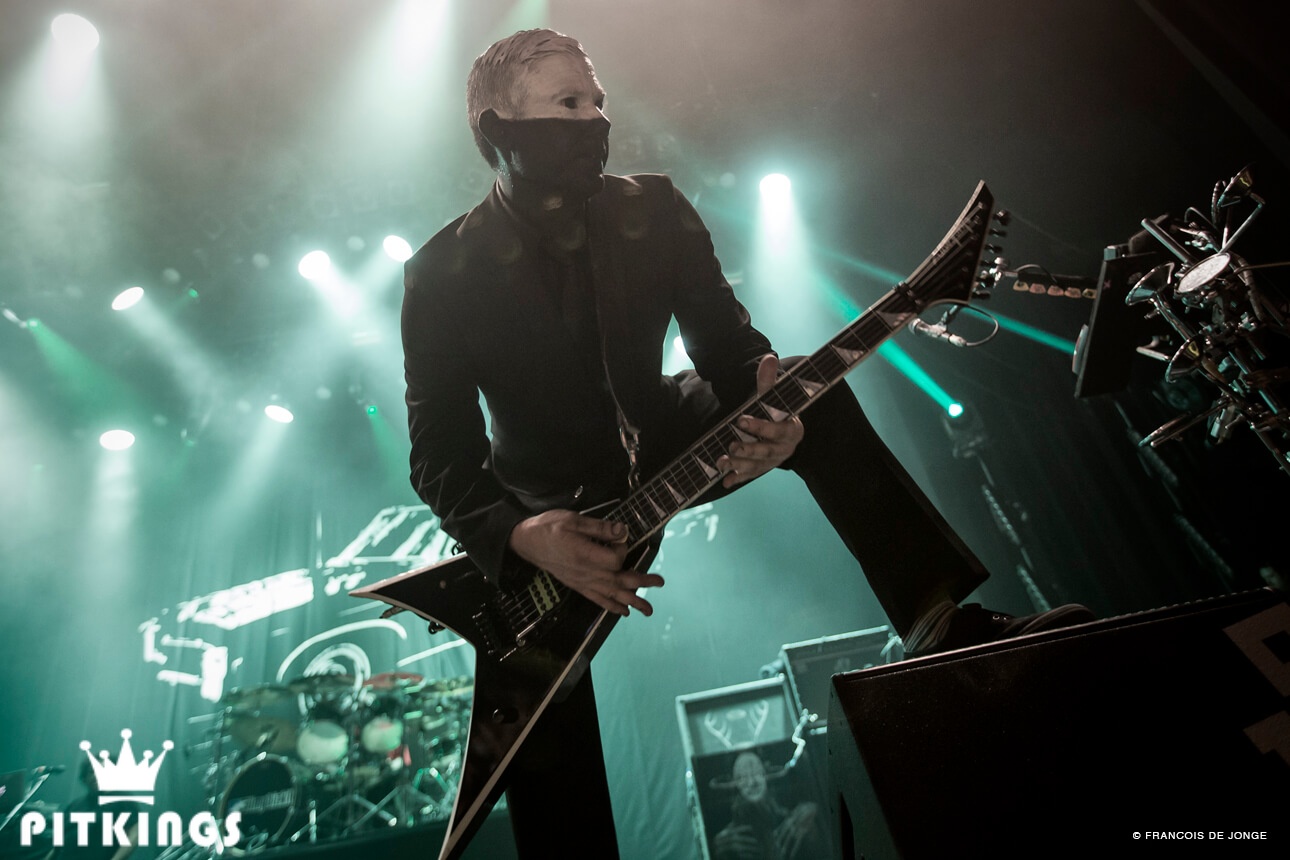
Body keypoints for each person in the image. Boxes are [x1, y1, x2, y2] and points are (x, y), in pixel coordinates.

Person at [400, 28, 1094, 856]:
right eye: (569, 104)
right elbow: (438, 457)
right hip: (548, 514)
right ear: (498, 132)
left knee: (809, 389)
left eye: (600, 103)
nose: (596, 122)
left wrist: (769, 411)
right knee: (551, 763)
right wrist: (521, 536)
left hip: (664, 436)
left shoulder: (652, 208)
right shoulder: (438, 274)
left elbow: (729, 350)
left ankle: (941, 626)